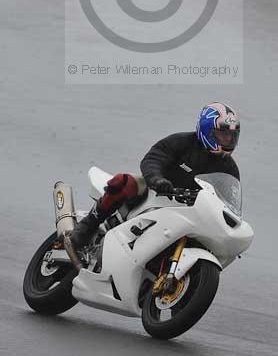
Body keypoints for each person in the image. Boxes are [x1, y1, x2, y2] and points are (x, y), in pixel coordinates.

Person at [65, 102, 241, 258]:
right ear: (206, 130)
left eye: (232, 136)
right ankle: (87, 226)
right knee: (125, 181)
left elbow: (229, 202)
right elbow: (153, 159)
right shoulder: (181, 142)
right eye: (223, 135)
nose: (228, 140)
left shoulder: (229, 168)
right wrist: (157, 180)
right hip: (156, 192)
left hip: (189, 210)